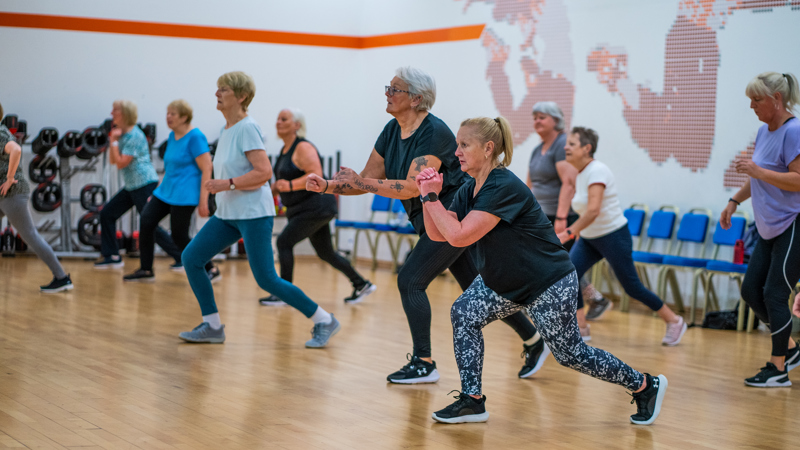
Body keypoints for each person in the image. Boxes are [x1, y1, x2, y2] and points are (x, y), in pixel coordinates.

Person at [416, 116, 667, 425]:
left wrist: (430, 197)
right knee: (464, 314)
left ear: (488, 148)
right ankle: (472, 400)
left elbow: (459, 236)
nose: (457, 152)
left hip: (547, 282)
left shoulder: (502, 185)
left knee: (570, 354)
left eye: (464, 145)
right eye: (457, 145)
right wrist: (429, 196)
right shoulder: (470, 189)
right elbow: (438, 233)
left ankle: (645, 385)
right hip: (504, 281)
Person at [307, 67, 546, 382]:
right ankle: (534, 340)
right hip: (428, 221)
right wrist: (325, 185)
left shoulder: (434, 132)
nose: (387, 93)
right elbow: (367, 179)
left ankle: (424, 362)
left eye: (395, 89)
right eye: (388, 88)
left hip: (452, 218)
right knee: (479, 288)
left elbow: (409, 187)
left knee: (410, 280)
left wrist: (361, 182)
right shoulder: (391, 131)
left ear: (417, 99)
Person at [179, 71, 339, 348]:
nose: (217, 93)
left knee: (266, 279)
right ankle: (213, 325)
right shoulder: (226, 130)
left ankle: (324, 319)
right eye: (217, 89)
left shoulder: (247, 128)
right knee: (191, 258)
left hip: (254, 214)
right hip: (228, 214)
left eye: (224, 89)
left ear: (241, 97)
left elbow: (263, 173)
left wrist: (227, 184)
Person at [556, 126, 686, 344]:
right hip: (589, 238)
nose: (566, 147)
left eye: (572, 144)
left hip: (613, 235)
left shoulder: (597, 171)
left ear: (587, 148)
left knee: (631, 287)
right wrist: (579, 233)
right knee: (570, 275)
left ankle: (674, 321)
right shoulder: (580, 173)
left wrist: (569, 232)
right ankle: (581, 327)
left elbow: (594, 210)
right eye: (566, 143)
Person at [722, 72, 800, 387]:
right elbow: (758, 177)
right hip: (769, 226)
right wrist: (734, 201)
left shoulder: (794, 130)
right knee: (751, 291)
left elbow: (797, 180)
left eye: (757, 100)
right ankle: (791, 349)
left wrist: (758, 171)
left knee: (775, 294)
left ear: (776, 100)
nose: (752, 106)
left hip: (794, 223)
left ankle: (778, 368)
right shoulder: (763, 130)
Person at [258, 109, 375, 305]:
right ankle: (361, 284)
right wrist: (271, 192)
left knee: (284, 242)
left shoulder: (302, 147)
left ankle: (285, 294)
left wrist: (288, 185)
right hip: (305, 209)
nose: (278, 122)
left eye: (284, 119)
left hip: (315, 207)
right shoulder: (284, 150)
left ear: (297, 125)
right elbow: (282, 182)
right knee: (325, 252)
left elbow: (316, 174)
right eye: (277, 119)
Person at [527, 101, 610, 322]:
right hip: (541, 215)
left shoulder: (561, 144)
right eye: (534, 117)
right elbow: (530, 183)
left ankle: (586, 306)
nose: (537, 121)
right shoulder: (538, 148)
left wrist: (562, 218)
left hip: (559, 216)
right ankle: (593, 299)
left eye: (542, 117)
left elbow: (569, 183)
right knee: (552, 263)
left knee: (561, 264)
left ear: (556, 120)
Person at [123, 100, 219, 282]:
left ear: (184, 117)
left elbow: (207, 168)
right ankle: (146, 270)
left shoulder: (195, 137)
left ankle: (210, 268)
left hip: (186, 195)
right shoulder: (173, 137)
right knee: (146, 220)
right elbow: (171, 169)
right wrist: (158, 190)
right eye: (167, 113)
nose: (168, 117)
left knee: (179, 236)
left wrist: (204, 200)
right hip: (166, 192)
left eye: (173, 114)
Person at [94, 100, 182, 270]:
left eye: (115, 110)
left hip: (144, 184)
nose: (111, 113)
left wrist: (112, 139)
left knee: (149, 223)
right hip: (131, 186)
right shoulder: (123, 135)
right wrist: (114, 139)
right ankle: (112, 255)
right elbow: (114, 160)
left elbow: (121, 163)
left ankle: (181, 257)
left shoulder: (134, 135)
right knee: (107, 214)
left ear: (125, 114)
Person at [0, 102, 72, 292]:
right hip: (5, 195)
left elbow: (16, 149)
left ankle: (62, 277)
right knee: (30, 235)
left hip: (12, 193)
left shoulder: (0, 133)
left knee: (30, 235)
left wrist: (9, 178)